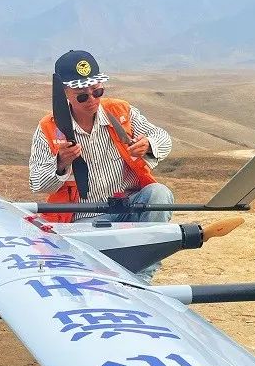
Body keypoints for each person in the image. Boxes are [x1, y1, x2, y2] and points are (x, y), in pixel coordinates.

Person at [29, 50, 174, 283]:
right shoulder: (48, 127)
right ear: (65, 93)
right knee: (98, 270)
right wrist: (60, 163)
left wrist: (148, 144)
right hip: (83, 217)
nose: (93, 100)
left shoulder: (121, 111)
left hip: (128, 205)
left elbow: (163, 137)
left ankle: (141, 279)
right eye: (82, 96)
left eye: (97, 91)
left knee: (160, 194)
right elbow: (37, 182)